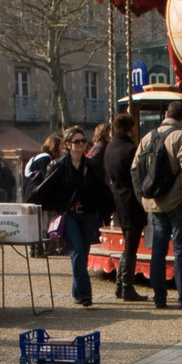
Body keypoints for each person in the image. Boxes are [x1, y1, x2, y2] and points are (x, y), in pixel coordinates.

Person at [134, 98, 182, 310]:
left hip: (155, 203)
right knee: (181, 251)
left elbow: (135, 168)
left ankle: (159, 298)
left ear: (166, 115)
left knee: (158, 250)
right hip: (178, 202)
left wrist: (144, 198)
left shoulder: (148, 137)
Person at [36, 123, 111, 307]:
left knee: (83, 253)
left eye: (83, 141)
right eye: (76, 141)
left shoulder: (91, 165)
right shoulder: (57, 165)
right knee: (76, 250)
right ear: (68, 144)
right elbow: (49, 189)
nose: (81, 144)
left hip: (87, 214)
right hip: (68, 214)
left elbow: (100, 188)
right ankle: (86, 295)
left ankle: (76, 291)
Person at [103, 111, 146, 302]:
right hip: (131, 200)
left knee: (127, 245)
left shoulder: (110, 147)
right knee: (131, 247)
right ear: (130, 127)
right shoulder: (130, 149)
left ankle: (121, 285)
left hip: (117, 198)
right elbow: (137, 175)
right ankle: (126, 286)